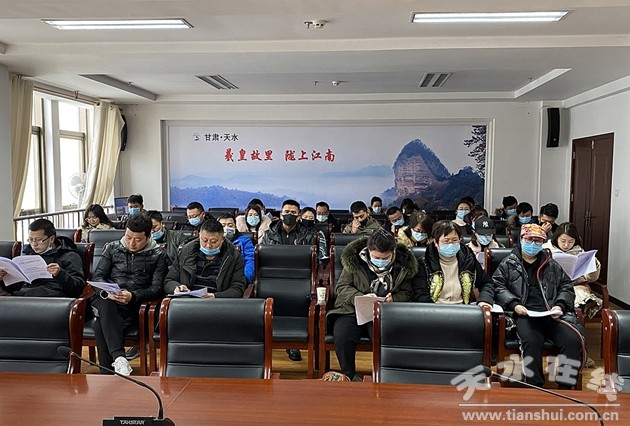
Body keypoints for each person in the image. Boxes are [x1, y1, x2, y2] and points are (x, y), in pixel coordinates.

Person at [493, 224, 585, 389]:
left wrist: (560, 305)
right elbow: (498, 287)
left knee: (571, 341)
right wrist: (514, 304)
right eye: (530, 240)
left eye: (538, 241)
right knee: (532, 341)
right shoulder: (508, 263)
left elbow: (566, 286)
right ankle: (535, 386)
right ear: (521, 240)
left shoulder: (551, 264)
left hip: (552, 314)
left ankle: (566, 387)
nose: (533, 244)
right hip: (524, 314)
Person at [327, 230, 416, 380]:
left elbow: (407, 292)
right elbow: (342, 287)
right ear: (368, 251)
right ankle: (349, 376)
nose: (380, 261)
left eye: (385, 258)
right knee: (342, 335)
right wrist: (360, 297)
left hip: (384, 312)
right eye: (376, 257)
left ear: (393, 252)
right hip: (352, 310)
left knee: (383, 336)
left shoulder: (403, 265)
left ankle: (384, 375)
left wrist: (394, 299)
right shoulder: (354, 260)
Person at [91, 214, 168, 376]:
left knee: (99, 325)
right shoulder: (112, 248)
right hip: (107, 299)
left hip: (134, 305)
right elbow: (98, 277)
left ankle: (108, 373)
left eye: (138, 240)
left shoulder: (158, 254)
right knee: (106, 303)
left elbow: (157, 288)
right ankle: (119, 358)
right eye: (128, 237)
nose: (131, 243)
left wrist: (132, 296)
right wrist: (107, 292)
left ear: (148, 236)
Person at [260, 199, 318, 361]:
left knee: (301, 299)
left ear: (298, 216)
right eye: (286, 212)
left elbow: (315, 262)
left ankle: (293, 344)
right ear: (281, 214)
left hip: (299, 278)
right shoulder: (269, 234)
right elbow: (263, 260)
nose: (289, 215)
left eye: (293, 213)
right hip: (274, 277)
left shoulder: (308, 236)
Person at [413, 220, 493, 305]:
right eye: (446, 241)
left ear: (460, 240)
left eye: (455, 240)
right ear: (436, 242)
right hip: (434, 309)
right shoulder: (425, 263)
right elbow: (421, 294)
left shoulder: (469, 259)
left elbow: (486, 283)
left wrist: (484, 300)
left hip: (463, 308)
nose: (450, 244)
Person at [0, 218, 84, 297]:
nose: (34, 244)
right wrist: (3, 279)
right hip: (25, 296)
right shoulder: (27, 254)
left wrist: (60, 273)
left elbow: (77, 288)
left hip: (51, 299)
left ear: (51, 239)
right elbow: (16, 288)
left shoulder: (69, 256)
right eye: (31, 239)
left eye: (38, 240)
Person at [164, 219, 246, 298]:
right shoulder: (186, 252)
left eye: (213, 241)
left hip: (217, 302)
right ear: (199, 236)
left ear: (222, 239)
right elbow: (169, 281)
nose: (208, 245)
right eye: (204, 240)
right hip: (187, 300)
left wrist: (216, 296)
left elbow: (238, 289)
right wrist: (177, 287)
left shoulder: (233, 257)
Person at [542, 222, 602, 319]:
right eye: (563, 241)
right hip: (551, 285)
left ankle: (574, 316)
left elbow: (591, 278)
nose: (566, 245)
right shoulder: (545, 249)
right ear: (556, 238)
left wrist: (593, 265)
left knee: (581, 293)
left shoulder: (579, 252)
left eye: (571, 241)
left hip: (574, 285)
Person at [217, 213, 255, 284]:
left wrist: (244, 279)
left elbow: (250, 261)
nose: (226, 228)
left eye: (230, 225)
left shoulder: (245, 241)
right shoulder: (213, 241)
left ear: (235, 227)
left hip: (238, 279)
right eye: (223, 226)